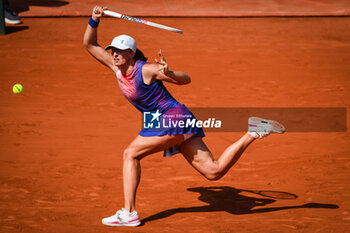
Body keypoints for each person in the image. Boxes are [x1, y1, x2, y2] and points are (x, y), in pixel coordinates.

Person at [83, 6, 285, 227]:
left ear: (132, 53)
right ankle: (254, 131)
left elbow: (185, 80)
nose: (114, 54)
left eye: (120, 51)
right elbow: (90, 44)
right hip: (177, 119)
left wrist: (169, 73)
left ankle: (129, 212)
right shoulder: (115, 67)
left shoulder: (146, 70)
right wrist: (94, 19)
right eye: (113, 50)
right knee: (213, 172)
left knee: (130, 154)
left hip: (172, 118)